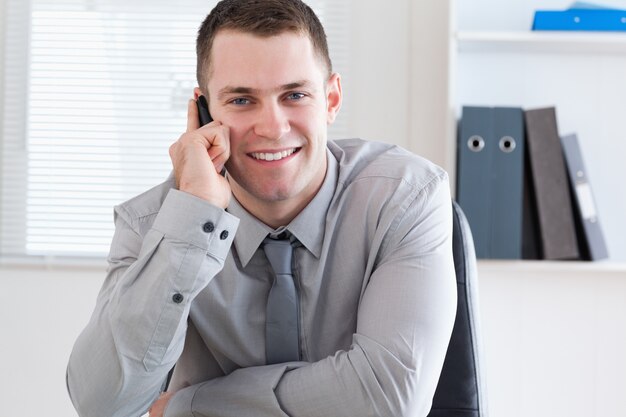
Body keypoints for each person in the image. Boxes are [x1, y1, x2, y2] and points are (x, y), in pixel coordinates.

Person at [66, 0, 457, 416]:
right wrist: (191, 223)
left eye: (295, 94)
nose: (272, 128)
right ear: (203, 113)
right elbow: (102, 404)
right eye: (241, 100)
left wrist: (187, 408)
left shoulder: (405, 198)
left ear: (331, 99)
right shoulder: (153, 225)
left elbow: (389, 398)